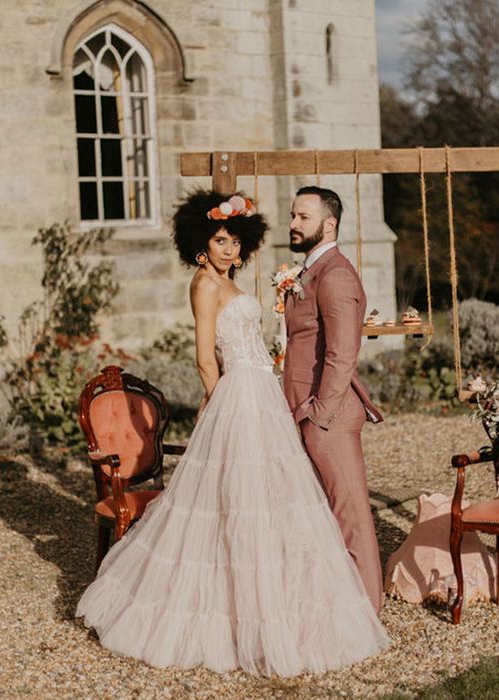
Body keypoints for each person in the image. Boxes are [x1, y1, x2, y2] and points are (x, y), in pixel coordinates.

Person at [75, 189, 389, 676]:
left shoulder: (239, 281)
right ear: (202, 243)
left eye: (234, 242)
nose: (228, 250)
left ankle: (295, 603)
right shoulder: (204, 285)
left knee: (276, 500)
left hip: (263, 391)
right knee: (237, 500)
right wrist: (222, 400)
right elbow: (205, 357)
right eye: (219, 241)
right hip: (240, 394)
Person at [282, 186, 384, 613]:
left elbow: (343, 353)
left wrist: (319, 415)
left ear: (329, 224)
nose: (292, 223)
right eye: (292, 215)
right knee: (317, 513)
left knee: (350, 514)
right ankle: (329, 602)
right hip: (302, 411)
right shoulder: (309, 272)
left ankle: (366, 610)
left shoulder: (337, 275)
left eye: (303, 217)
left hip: (329, 416)